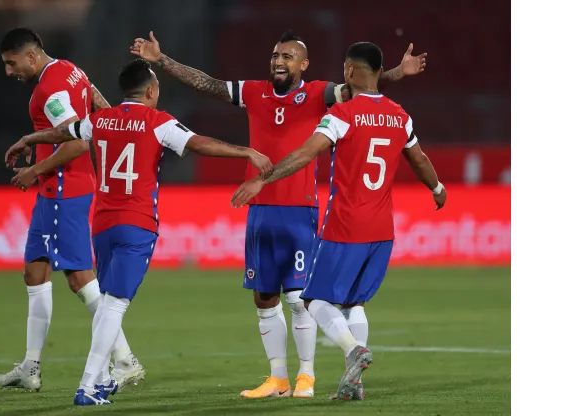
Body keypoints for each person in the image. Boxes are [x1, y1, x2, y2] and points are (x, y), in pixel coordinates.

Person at [131, 30, 426, 398]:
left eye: (287, 56)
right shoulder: (254, 91)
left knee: (299, 296)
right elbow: (208, 84)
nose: (278, 61)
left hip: (300, 208)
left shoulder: (320, 93)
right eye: (275, 55)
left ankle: (307, 376)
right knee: (264, 297)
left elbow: (362, 85)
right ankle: (278, 379)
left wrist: (396, 72)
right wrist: (162, 60)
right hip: (260, 210)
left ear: (303, 64)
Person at [6, 58, 273, 405]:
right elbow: (199, 143)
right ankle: (88, 386)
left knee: (106, 304)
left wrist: (30, 137)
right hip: (137, 224)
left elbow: (64, 133)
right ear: (150, 91)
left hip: (102, 223)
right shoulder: (158, 122)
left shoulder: (99, 120)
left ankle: (100, 378)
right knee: (114, 303)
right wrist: (246, 151)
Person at [231, 41, 447, 401]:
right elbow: (420, 159)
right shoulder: (400, 115)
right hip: (383, 232)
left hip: (345, 227)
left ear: (349, 71)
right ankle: (353, 383)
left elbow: (304, 153)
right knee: (354, 304)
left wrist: (262, 178)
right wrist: (438, 188)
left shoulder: (342, 115)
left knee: (314, 300)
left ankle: (352, 351)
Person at [0, 27, 144, 392]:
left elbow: (76, 142)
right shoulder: (70, 69)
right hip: (52, 191)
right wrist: (115, 124)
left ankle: (126, 359)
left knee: (79, 278)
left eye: (12, 64)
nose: (9, 72)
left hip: (65, 190)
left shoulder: (49, 89)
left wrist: (34, 169)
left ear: (31, 56)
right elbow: (94, 102)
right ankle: (31, 367)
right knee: (35, 272)